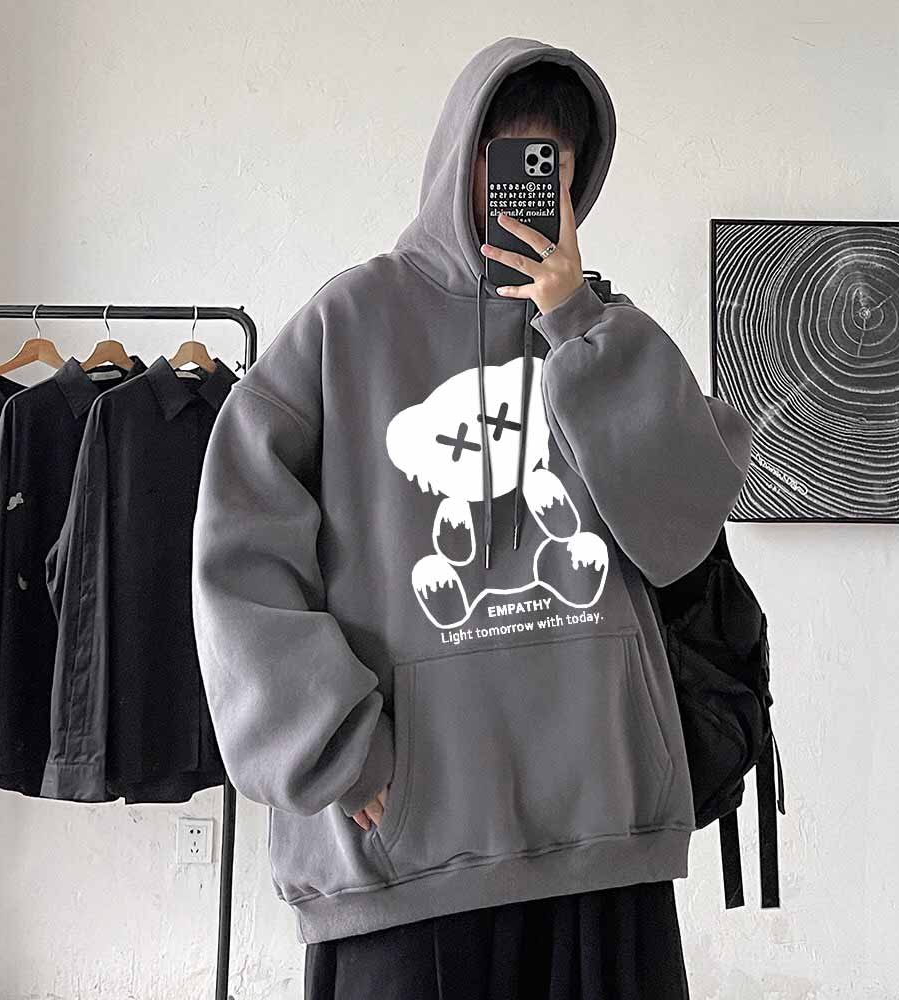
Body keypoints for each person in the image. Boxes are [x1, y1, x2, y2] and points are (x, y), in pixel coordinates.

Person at [191, 35, 754, 1000]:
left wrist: (577, 322)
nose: (527, 190)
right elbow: (237, 544)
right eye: (509, 158)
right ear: (461, 159)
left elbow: (685, 527)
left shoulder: (606, 333)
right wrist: (333, 744)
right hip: (407, 857)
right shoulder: (346, 323)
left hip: (600, 838)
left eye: (553, 168)